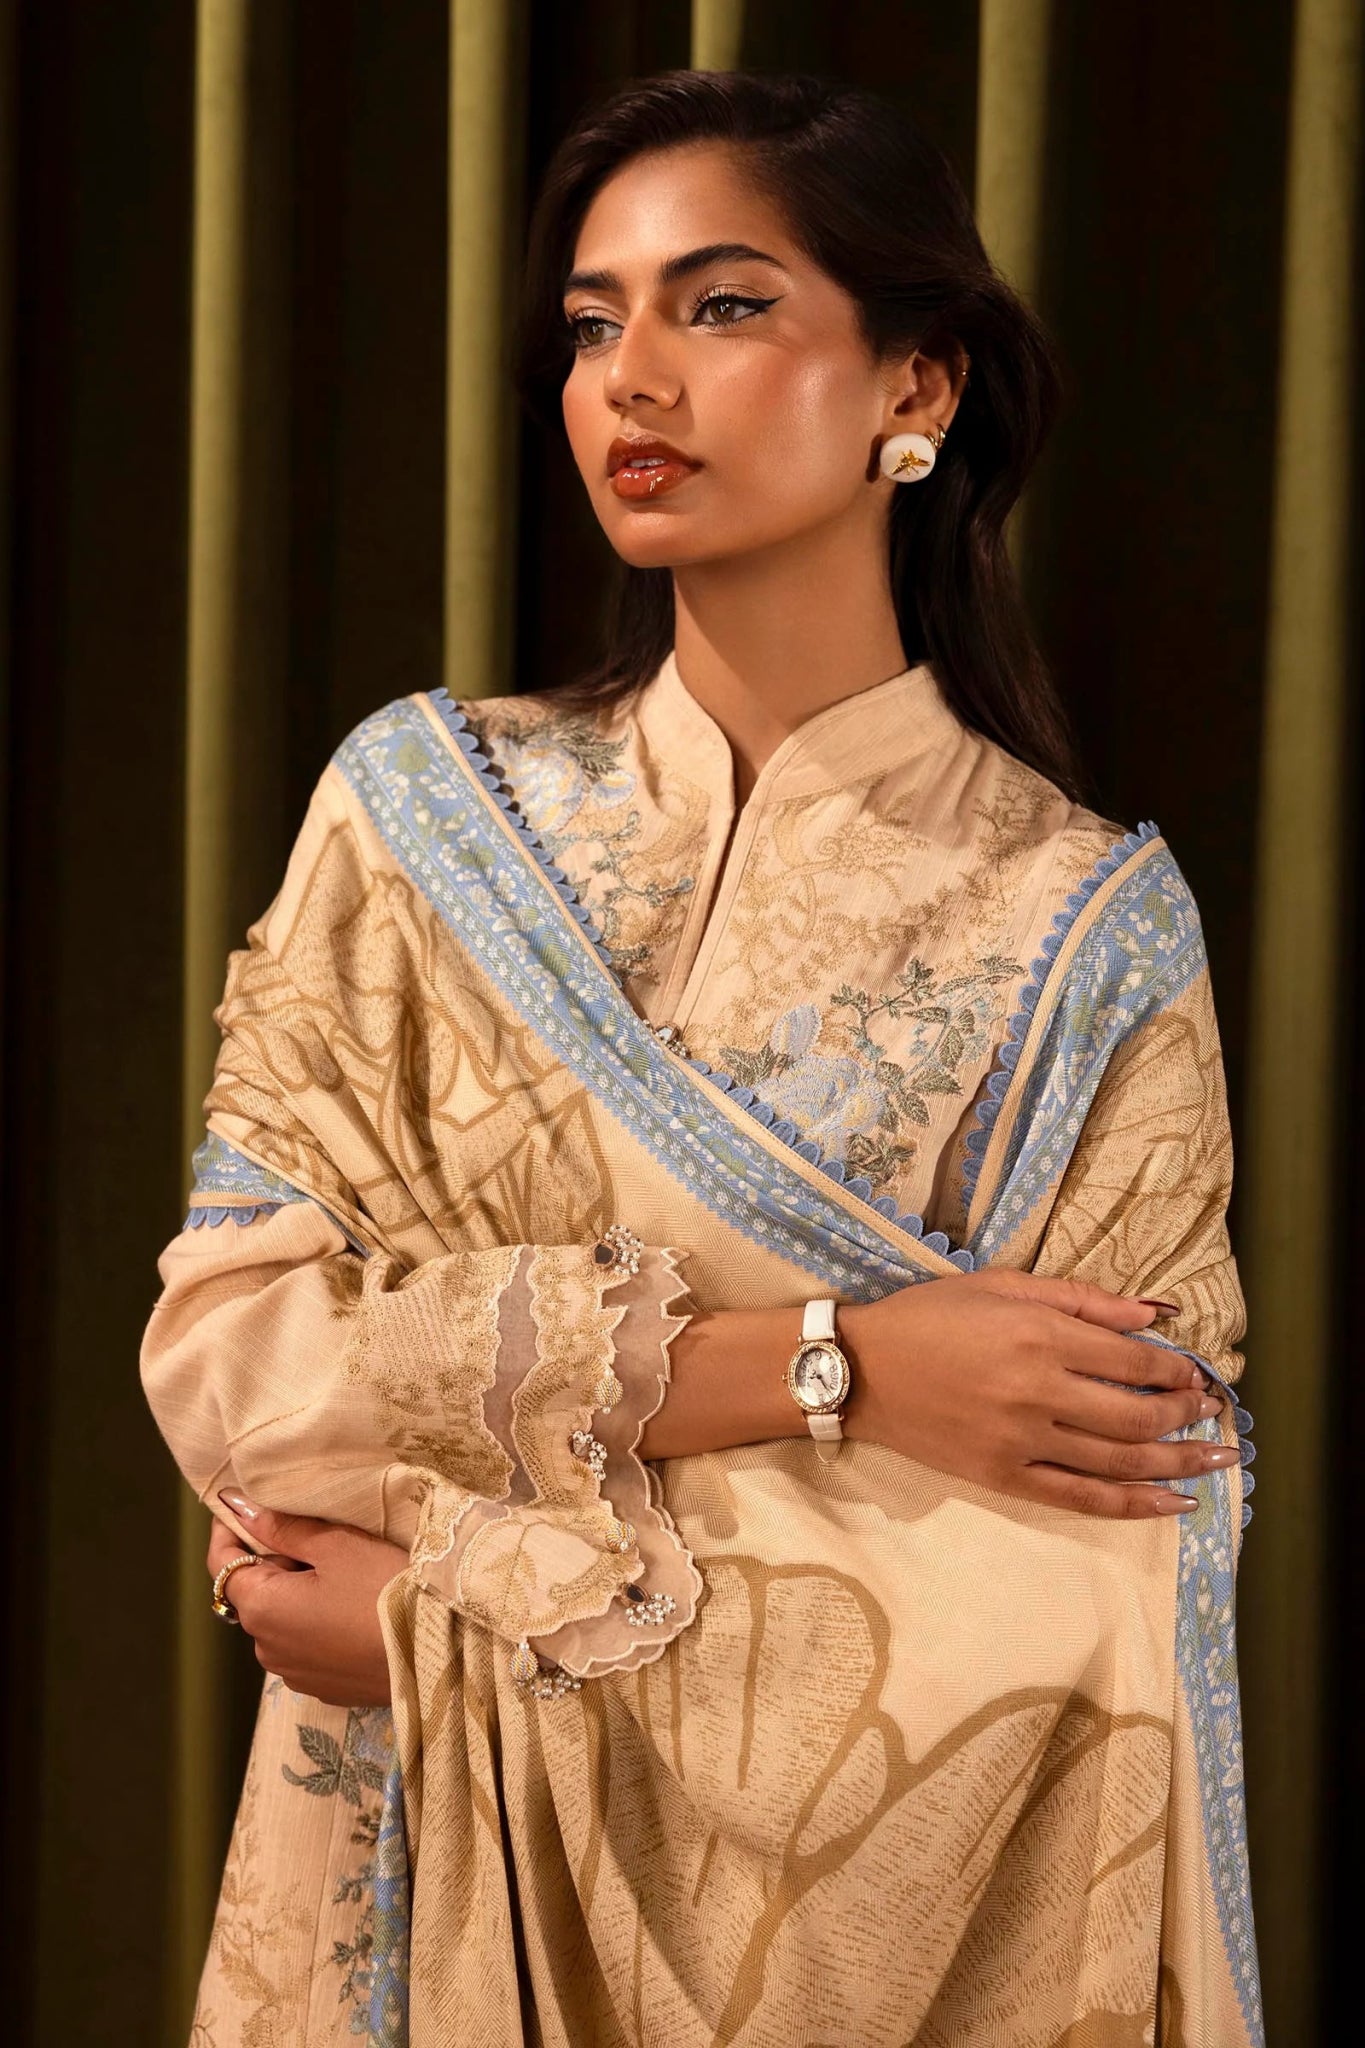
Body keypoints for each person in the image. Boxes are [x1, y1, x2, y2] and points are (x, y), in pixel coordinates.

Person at [142, 69, 1261, 2048]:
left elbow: (1093, 1606)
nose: (630, 376)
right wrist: (841, 1371)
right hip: (389, 1904)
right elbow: (241, 1377)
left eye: (720, 305)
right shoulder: (419, 817)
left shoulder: (1077, 937)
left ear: (913, 389)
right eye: (594, 321)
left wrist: (438, 1624)